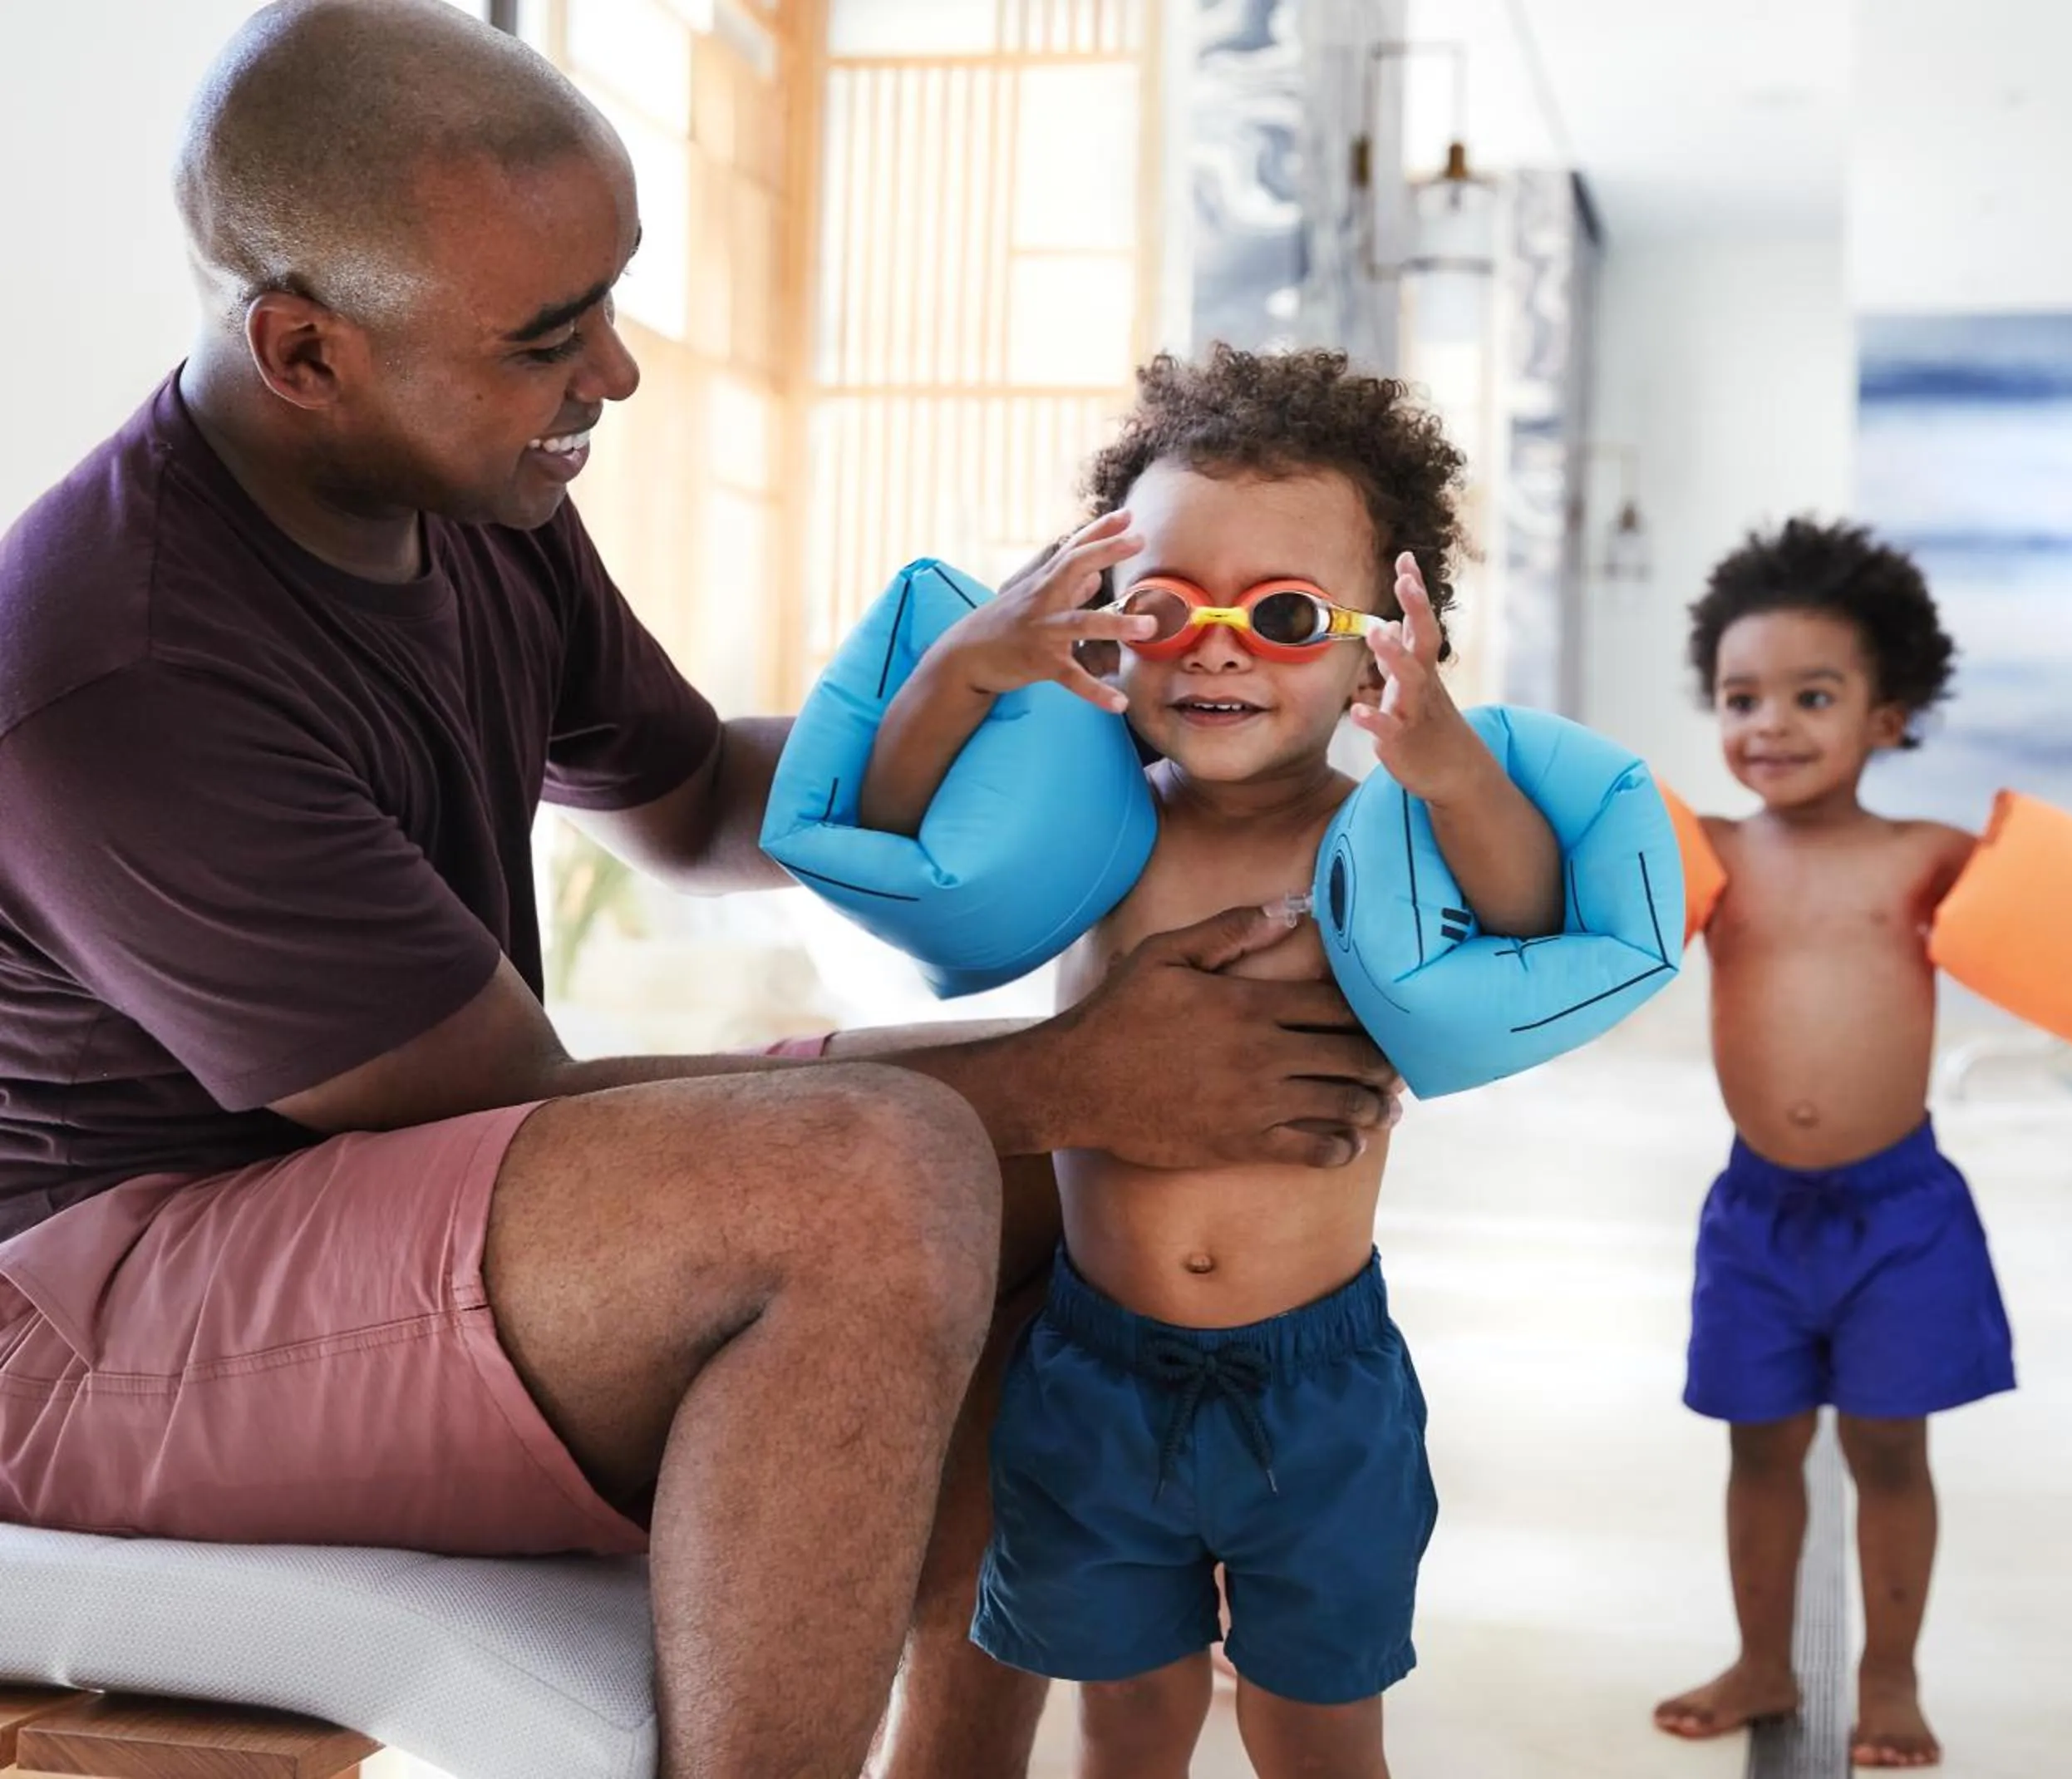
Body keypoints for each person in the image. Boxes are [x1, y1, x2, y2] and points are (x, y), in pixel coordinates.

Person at [0, 7, 1401, 1777]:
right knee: (882, 1166)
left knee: (1080, 1177)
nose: (615, 374)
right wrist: (1080, 1071)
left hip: (368, 1216)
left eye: (610, 300)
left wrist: (1059, 727)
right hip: (88, 1313)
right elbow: (496, 1109)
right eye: (545, 340)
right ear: (304, 351)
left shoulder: (474, 495)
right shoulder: (120, 670)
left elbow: (710, 803)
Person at [854, 345, 1561, 1779]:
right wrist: (963, 666)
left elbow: (1530, 916)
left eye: (1287, 614)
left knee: (1318, 1728)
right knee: (1129, 1717)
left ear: (1383, 646)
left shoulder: (1386, 835)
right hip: (1095, 1368)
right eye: (1169, 609)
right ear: (1108, 624)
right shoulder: (1096, 823)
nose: (1219, 648)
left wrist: (1454, 767)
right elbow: (899, 831)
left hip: (1321, 1378)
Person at [1648, 518, 2072, 1769]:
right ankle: (1764, 1660)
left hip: (1898, 1211)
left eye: (1814, 696)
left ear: (1890, 716)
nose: (1771, 725)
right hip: (1757, 1213)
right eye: (1741, 697)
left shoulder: (1923, 857)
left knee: (1887, 1448)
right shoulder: (1711, 852)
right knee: (1760, 1446)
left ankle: (1891, 1679)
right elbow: (1540, 868)